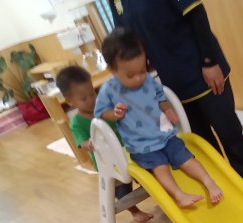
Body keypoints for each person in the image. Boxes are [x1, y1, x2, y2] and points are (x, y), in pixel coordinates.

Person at [108, 0, 243, 197]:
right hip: (174, 83)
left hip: (204, 71)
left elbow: (196, 14)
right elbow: (128, 40)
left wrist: (209, 61)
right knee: (204, 145)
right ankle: (228, 193)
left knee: (230, 135)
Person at [94, 28, 223, 208]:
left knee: (186, 158)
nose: (139, 78)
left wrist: (167, 109)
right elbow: (100, 113)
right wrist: (114, 113)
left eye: (142, 70)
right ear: (112, 70)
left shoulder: (147, 79)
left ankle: (209, 182)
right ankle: (179, 195)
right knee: (160, 167)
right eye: (131, 75)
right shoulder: (109, 90)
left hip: (165, 136)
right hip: (142, 146)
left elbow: (160, 96)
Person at [55, 65, 153, 223]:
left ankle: (156, 191)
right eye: (84, 98)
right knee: (122, 189)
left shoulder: (103, 107)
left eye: (93, 94)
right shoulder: (77, 122)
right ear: (70, 101)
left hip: (128, 150)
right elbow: (81, 142)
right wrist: (88, 144)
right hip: (109, 162)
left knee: (147, 171)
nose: (91, 100)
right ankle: (134, 211)